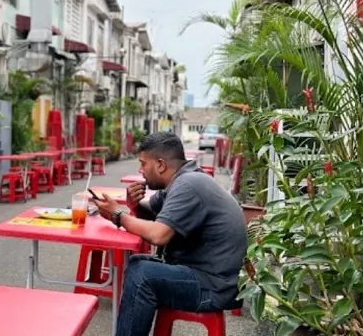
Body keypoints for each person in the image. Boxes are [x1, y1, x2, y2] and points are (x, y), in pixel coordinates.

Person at [92, 132, 247, 336]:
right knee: (138, 263)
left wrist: (118, 215)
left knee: (142, 276)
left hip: (215, 287)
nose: (140, 170)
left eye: (143, 164)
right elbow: (153, 214)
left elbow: (159, 235)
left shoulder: (188, 185)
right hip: (207, 275)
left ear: (161, 165)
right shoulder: (180, 181)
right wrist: (133, 206)